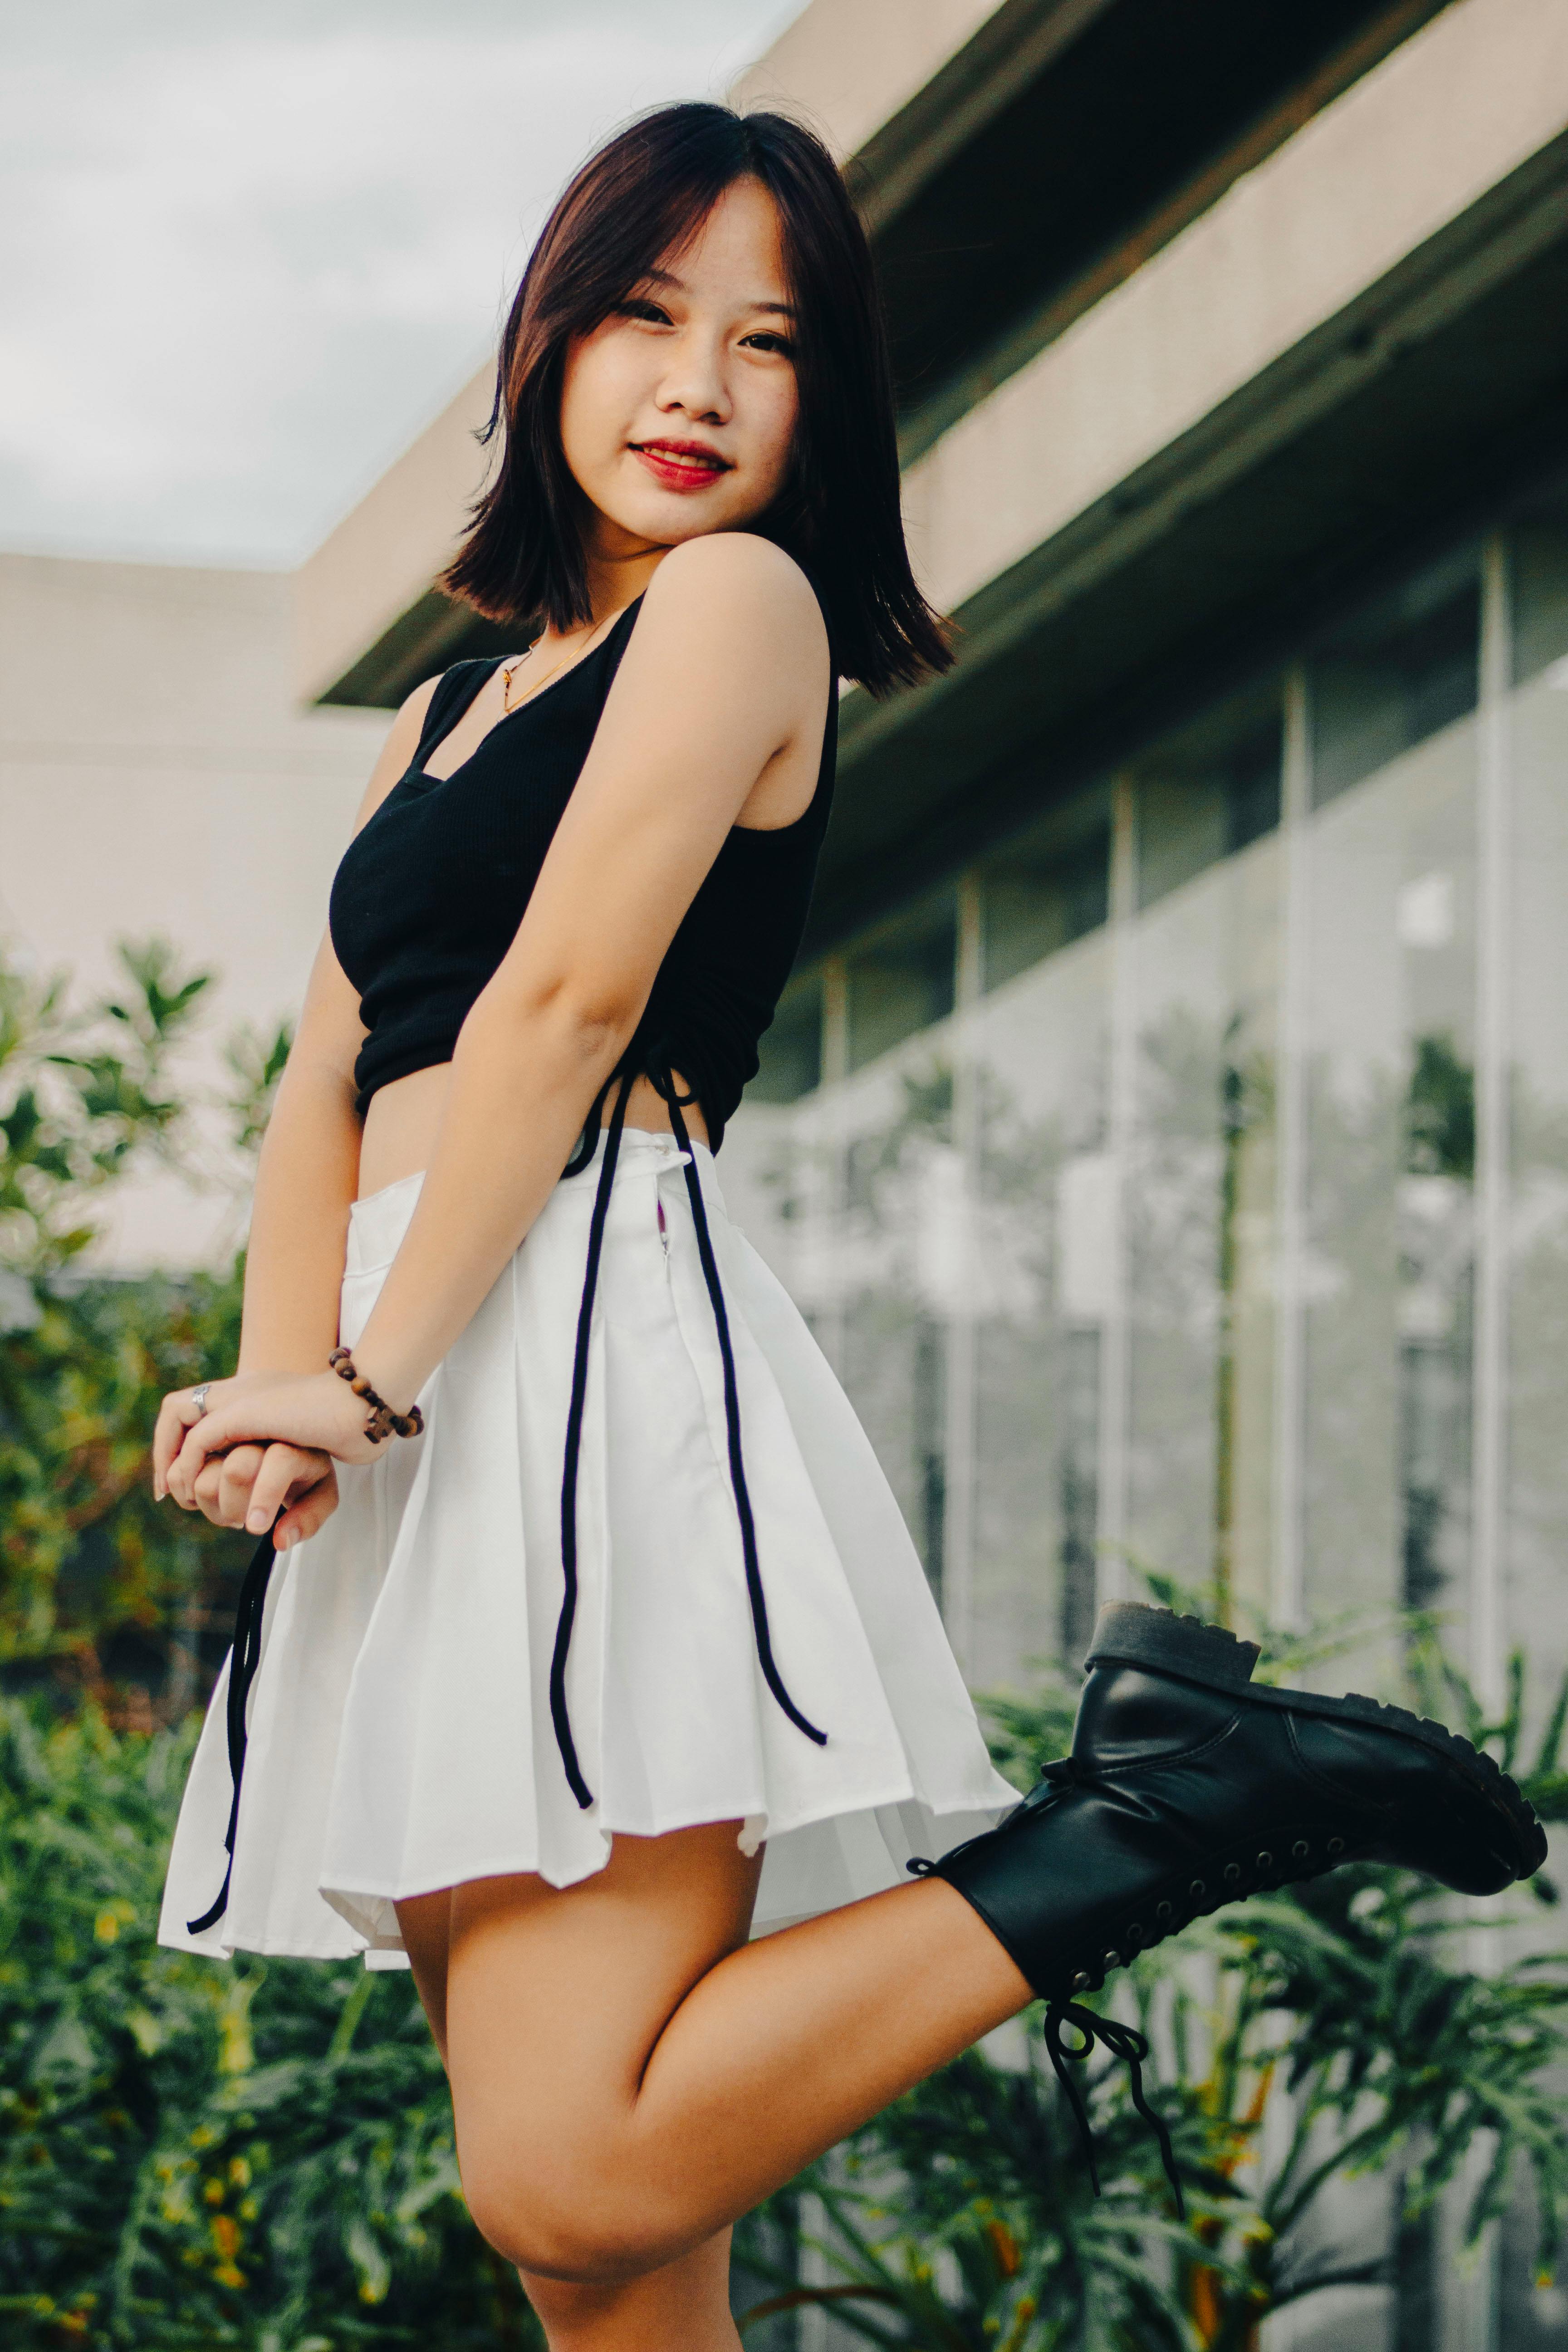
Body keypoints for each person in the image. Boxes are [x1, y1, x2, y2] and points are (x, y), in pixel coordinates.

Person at [152, 103, 1544, 2351]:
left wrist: (366, 1372)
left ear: (828, 403)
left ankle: (1168, 1811)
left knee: (569, 2160)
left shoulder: (739, 605)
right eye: (644, 313)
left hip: (572, 1334)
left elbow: (568, 1011)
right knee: (602, 2272)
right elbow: (326, 1081)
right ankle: (1170, 1798)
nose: (697, 382)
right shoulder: (442, 706)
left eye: (768, 342)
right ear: (544, 340)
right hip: (420, 1379)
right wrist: (293, 1389)